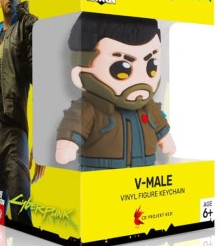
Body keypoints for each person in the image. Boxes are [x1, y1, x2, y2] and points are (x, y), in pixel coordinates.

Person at [55, 12, 176, 171]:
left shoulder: (149, 107)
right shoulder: (89, 109)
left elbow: (160, 126)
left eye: (151, 66)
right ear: (80, 72)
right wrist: (67, 144)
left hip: (143, 175)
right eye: (121, 69)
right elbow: (74, 125)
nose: (140, 80)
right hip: (101, 173)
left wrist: (166, 139)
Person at [0, 0, 45, 225]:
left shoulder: (26, 28)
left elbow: (42, 81)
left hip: (14, 137)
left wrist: (42, 144)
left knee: (21, 217)